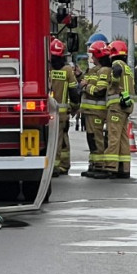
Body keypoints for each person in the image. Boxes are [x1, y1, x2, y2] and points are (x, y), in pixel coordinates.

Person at [98, 40, 134, 179]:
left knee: (113, 136)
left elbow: (115, 79)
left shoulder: (116, 65)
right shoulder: (128, 67)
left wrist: (112, 80)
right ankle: (124, 168)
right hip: (126, 105)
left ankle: (110, 167)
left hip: (116, 106)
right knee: (123, 138)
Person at [48, 38, 81, 176]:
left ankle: (55, 166)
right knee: (63, 139)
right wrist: (74, 107)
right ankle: (63, 165)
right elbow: (74, 91)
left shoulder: (47, 68)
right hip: (63, 113)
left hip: (48, 110)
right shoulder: (67, 70)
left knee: (55, 140)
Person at [80, 40, 111, 178]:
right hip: (89, 111)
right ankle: (93, 164)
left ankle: (100, 166)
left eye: (93, 55)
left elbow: (100, 91)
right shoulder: (93, 70)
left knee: (97, 138)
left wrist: (86, 87)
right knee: (91, 138)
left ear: (99, 56)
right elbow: (85, 81)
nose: (91, 58)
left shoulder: (104, 70)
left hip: (97, 111)